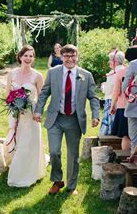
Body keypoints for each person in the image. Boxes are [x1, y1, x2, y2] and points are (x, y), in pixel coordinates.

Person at [34, 44, 100, 195]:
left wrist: (95, 115)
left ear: (77, 56)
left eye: (73, 56)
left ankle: (72, 185)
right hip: (55, 118)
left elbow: (93, 97)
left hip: (74, 119)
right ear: (61, 57)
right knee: (54, 151)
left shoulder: (86, 75)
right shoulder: (53, 73)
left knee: (72, 154)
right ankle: (57, 181)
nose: (70, 59)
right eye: (66, 56)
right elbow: (44, 93)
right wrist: (38, 111)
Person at [5, 45, 46, 187]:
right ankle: (16, 163)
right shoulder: (11, 74)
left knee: (28, 141)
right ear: (20, 57)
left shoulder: (38, 75)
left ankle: (26, 172)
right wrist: (12, 105)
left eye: (31, 56)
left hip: (30, 113)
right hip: (15, 112)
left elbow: (41, 97)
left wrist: (38, 112)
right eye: (26, 55)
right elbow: (7, 95)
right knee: (16, 139)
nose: (28, 58)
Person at [110, 46, 137, 151]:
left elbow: (116, 91)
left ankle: (125, 158)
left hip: (123, 107)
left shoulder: (121, 72)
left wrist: (113, 105)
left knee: (126, 135)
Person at [99, 50, 124, 135]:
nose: (109, 62)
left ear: (115, 62)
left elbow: (109, 90)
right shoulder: (124, 70)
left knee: (110, 125)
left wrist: (103, 87)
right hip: (121, 102)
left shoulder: (113, 73)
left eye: (110, 60)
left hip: (111, 101)